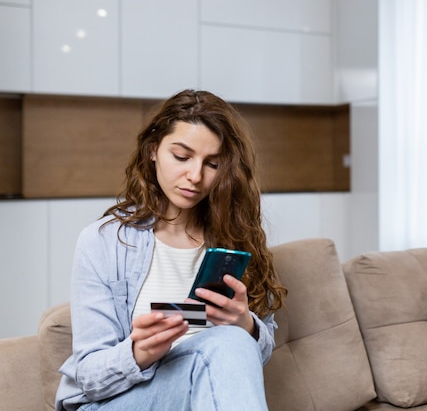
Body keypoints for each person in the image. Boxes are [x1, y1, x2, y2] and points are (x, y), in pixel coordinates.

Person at [55, 89, 287, 411]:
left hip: (201, 397)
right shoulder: (103, 241)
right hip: (118, 402)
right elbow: (88, 376)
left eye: (213, 164)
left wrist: (245, 325)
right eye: (181, 157)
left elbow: (245, 365)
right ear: (153, 150)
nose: (195, 176)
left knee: (232, 341)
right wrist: (140, 353)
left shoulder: (235, 240)